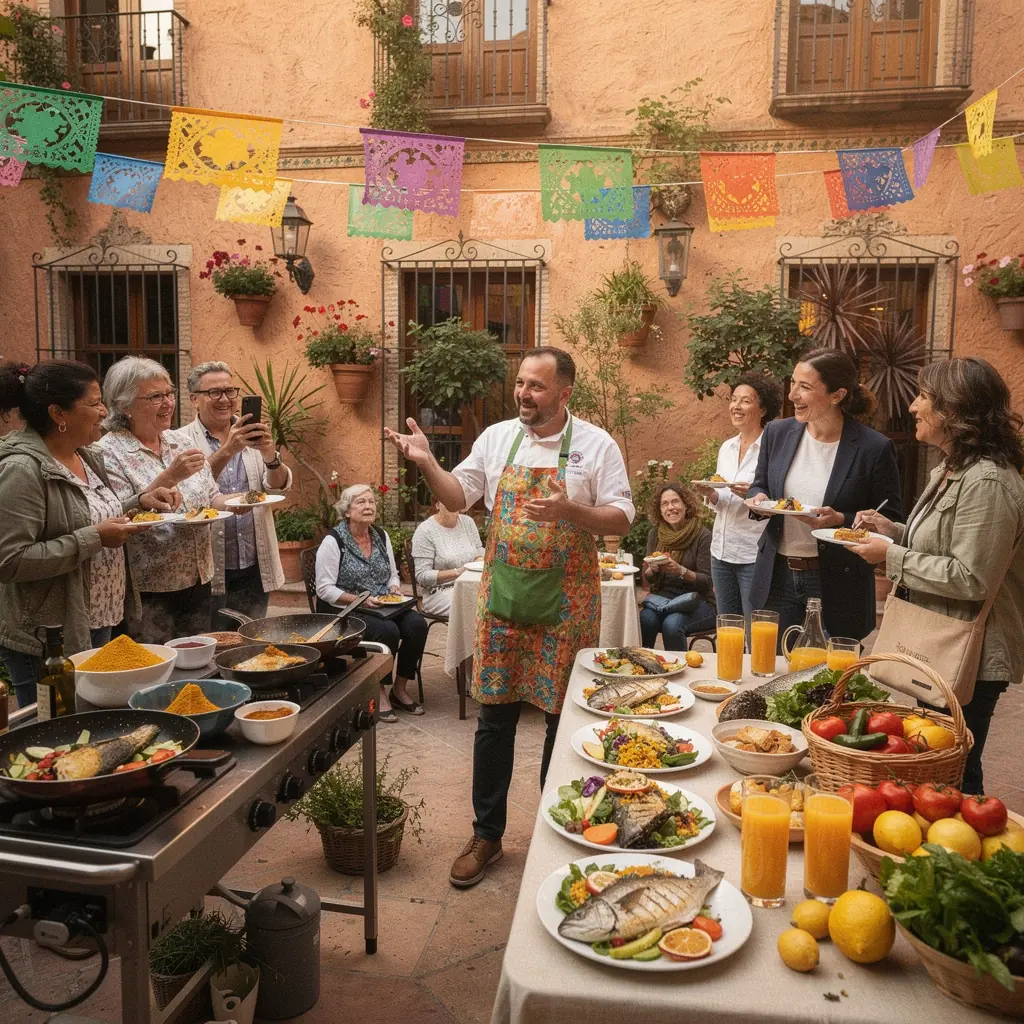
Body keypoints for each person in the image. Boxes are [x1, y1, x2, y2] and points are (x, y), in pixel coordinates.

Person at [385, 346, 634, 888]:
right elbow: (460, 494)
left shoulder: (596, 444)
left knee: (559, 720)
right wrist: (428, 461)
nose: (524, 393)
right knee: (493, 717)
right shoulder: (497, 437)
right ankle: (487, 834)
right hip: (504, 600)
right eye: (521, 383)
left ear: (565, 393)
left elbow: (622, 514)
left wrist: (571, 510)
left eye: (537, 386)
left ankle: (558, 834)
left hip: (568, 601)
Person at [850, 357, 1024, 794]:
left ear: (954, 410)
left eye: (923, 396)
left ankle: (964, 855)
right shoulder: (951, 469)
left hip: (970, 654)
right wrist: (895, 531)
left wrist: (891, 555)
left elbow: (972, 576)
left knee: (953, 772)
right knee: (938, 763)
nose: (912, 406)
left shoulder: (988, 482)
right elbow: (948, 545)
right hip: (939, 643)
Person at [0, 361, 178, 705]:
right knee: (53, 734)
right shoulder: (21, 470)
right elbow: (9, 561)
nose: (104, 411)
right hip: (48, 636)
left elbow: (86, 515)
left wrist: (139, 501)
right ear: (58, 413)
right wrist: (94, 539)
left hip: (97, 619)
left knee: (89, 723)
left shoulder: (85, 454)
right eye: (94, 403)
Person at [748, 348, 903, 646]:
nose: (792, 394)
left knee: (828, 682)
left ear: (837, 395)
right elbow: (760, 486)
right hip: (776, 576)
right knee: (769, 675)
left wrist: (840, 520)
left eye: (805, 387)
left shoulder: (873, 448)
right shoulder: (776, 433)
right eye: (793, 383)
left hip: (836, 581)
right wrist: (759, 501)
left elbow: (891, 520)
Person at [99, 356, 246, 642]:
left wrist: (237, 504)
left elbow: (208, 498)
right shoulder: (107, 452)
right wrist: (170, 476)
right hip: (150, 586)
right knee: (159, 669)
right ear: (123, 405)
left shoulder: (180, 441)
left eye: (169, 393)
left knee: (197, 660)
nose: (168, 403)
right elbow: (115, 517)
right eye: (155, 396)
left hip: (199, 577)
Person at [172, 361, 292, 629]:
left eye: (230, 391)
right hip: (208, 567)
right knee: (209, 644)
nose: (225, 399)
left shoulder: (251, 434)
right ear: (194, 399)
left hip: (254, 563)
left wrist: (270, 455)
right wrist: (229, 449)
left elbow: (276, 487)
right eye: (214, 392)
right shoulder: (179, 441)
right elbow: (190, 494)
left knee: (250, 642)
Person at [315, 484, 428, 722]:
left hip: (382, 603)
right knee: (388, 631)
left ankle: (400, 688)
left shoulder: (380, 535)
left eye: (371, 502)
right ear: (347, 511)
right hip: (346, 609)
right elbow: (324, 589)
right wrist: (359, 600)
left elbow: (392, 574)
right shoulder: (334, 541)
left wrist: (394, 588)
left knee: (417, 624)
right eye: (361, 502)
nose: (368, 506)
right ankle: (380, 691)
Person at [692, 373, 783, 621]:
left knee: (756, 631)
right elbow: (723, 500)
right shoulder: (727, 448)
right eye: (733, 400)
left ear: (763, 409)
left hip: (753, 554)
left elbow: (782, 500)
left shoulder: (773, 448)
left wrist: (754, 494)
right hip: (720, 552)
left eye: (745, 401)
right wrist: (711, 493)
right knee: (727, 629)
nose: (736, 406)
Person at [639, 483, 715, 649]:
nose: (670, 507)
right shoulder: (655, 534)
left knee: (672, 624)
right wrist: (653, 569)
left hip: (697, 601)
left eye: (675, 502)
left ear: (686, 505)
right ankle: (645, 666)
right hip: (663, 599)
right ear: (659, 510)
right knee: (646, 618)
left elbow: (707, 582)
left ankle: (677, 671)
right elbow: (649, 578)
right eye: (665, 504)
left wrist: (681, 571)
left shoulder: (702, 535)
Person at [410, 500, 484, 616]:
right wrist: (457, 572)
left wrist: (480, 559)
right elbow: (422, 576)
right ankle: (463, 635)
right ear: (437, 504)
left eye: (455, 498)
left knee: (495, 600)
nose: (452, 502)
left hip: (470, 586)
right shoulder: (425, 531)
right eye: (446, 498)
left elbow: (479, 550)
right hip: (438, 592)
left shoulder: (468, 522)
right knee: (478, 607)